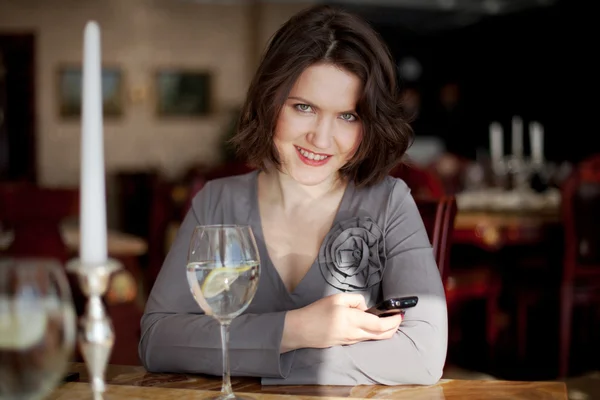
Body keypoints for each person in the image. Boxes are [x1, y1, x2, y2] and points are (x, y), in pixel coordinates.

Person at [139, 4, 448, 386]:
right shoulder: (216, 202)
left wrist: (253, 355)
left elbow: (421, 356)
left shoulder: (389, 203)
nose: (320, 139)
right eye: (304, 107)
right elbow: (158, 341)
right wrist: (295, 329)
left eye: (348, 116)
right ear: (270, 102)